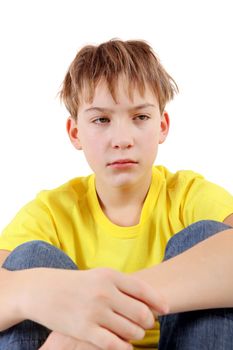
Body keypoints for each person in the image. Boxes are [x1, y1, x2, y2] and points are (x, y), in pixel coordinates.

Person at [0, 39, 233, 350]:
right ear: (75, 133)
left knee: (207, 237)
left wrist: (103, 307)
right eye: (101, 120)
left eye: (140, 117)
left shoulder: (189, 196)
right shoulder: (52, 211)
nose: (122, 139)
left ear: (162, 126)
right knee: (29, 261)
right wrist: (53, 305)